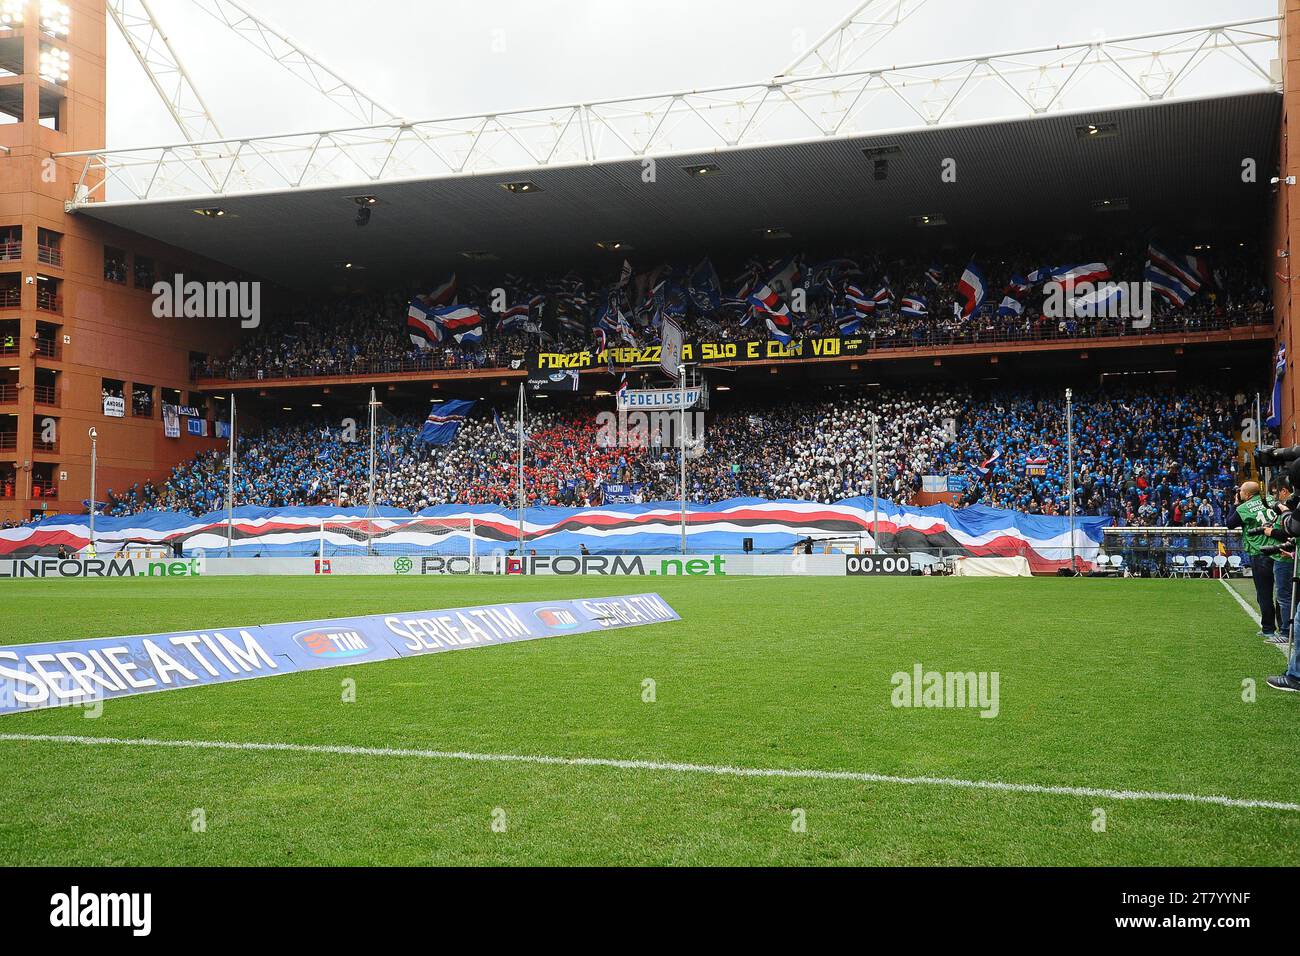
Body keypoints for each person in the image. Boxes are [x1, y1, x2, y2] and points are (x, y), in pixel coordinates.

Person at [1226, 480, 1282, 639]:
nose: (1240, 494)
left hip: (1259, 553)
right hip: (1280, 549)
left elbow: (1229, 523)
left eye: (1242, 492)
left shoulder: (1243, 508)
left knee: (1264, 593)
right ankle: (1285, 628)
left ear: (1247, 494)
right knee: (1282, 591)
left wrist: (1235, 504)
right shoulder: (1271, 499)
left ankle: (1268, 628)